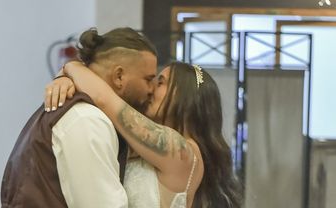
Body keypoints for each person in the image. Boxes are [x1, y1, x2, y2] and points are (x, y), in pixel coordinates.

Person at [47, 60, 242, 208]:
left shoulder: (181, 150)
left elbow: (103, 98)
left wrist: (71, 66)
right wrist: (64, 79)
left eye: (160, 82)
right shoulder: (155, 148)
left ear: (184, 95)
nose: (150, 89)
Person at [0, 27, 158, 208]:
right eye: (148, 79)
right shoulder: (88, 120)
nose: (151, 89)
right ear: (119, 76)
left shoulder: (79, 111)